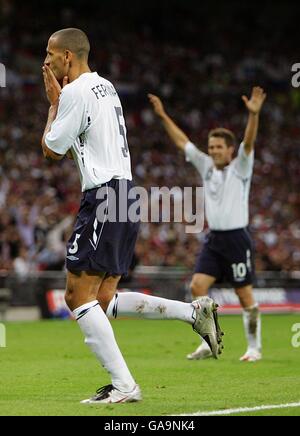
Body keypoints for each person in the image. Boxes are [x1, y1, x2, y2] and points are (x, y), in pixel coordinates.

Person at [41, 28, 223, 404]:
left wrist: (52, 107)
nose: (46, 62)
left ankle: (124, 385)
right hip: (126, 194)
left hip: (104, 194)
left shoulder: (73, 92)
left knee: (77, 296)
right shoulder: (106, 87)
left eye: (50, 55)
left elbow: (51, 151)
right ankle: (192, 313)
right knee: (103, 298)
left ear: (68, 58)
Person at [149, 87, 266, 362]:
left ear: (229, 150)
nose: (212, 151)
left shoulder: (241, 167)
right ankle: (206, 341)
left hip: (238, 238)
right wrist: (163, 115)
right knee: (197, 287)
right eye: (211, 146)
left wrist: (253, 116)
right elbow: (182, 142)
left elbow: (248, 143)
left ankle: (254, 347)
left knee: (244, 293)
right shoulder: (205, 166)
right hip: (214, 240)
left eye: (218, 147)